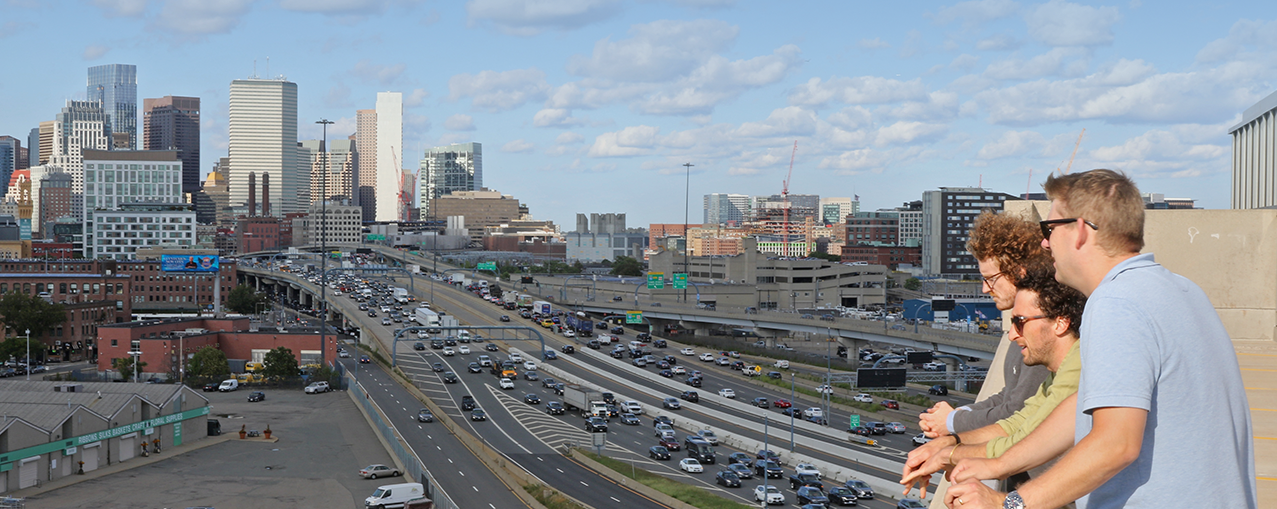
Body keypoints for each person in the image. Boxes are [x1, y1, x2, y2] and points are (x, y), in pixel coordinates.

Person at [946, 169, 1257, 509]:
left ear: (1080, 230)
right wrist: (996, 465)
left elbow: (1116, 444)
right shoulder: (1181, 290)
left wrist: (1008, 503)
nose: (1044, 242)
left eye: (1049, 229)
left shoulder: (1116, 304)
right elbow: (1082, 409)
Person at [901, 267, 1085, 498]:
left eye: (1020, 322)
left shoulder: (1080, 369)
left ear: (1060, 323)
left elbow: (1020, 440)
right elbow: (1014, 425)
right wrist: (950, 443)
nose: (1012, 335)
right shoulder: (1057, 373)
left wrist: (951, 455)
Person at [919, 211, 1052, 438]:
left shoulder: (1041, 328)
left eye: (990, 279)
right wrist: (959, 413)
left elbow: (1017, 411)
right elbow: (1008, 396)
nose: (984, 289)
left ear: (1019, 273)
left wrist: (952, 421)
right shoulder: (1023, 324)